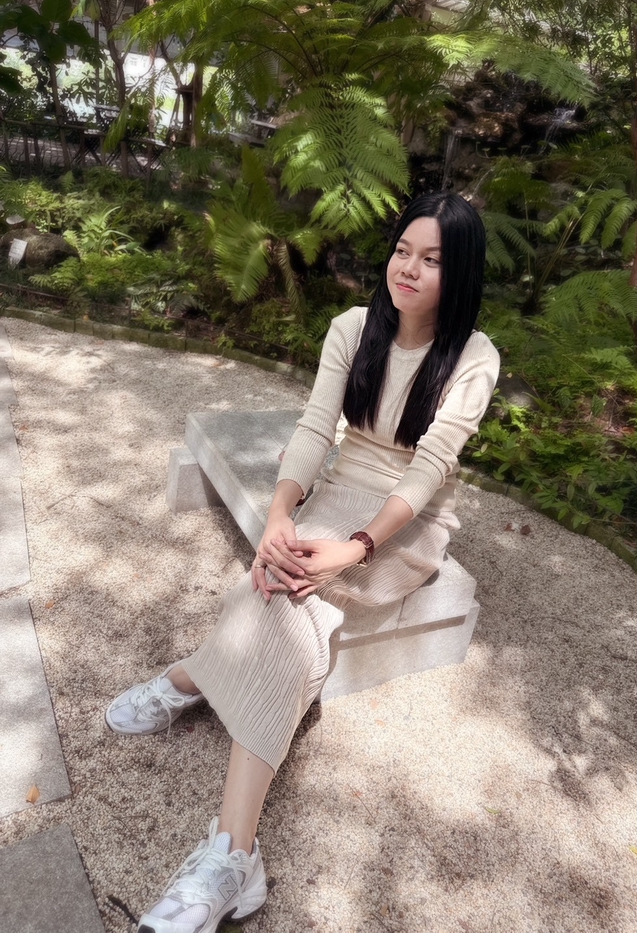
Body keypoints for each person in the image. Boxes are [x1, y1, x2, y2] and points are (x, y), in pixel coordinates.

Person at [105, 191, 501, 933]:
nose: (408, 269)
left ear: (462, 273)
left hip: (406, 525)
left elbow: (428, 472)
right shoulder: (353, 327)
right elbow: (316, 429)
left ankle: (226, 839)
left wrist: (356, 547)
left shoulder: (474, 358)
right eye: (402, 251)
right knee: (274, 583)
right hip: (335, 497)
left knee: (291, 604)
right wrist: (282, 517)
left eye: (433, 259)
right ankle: (234, 849)